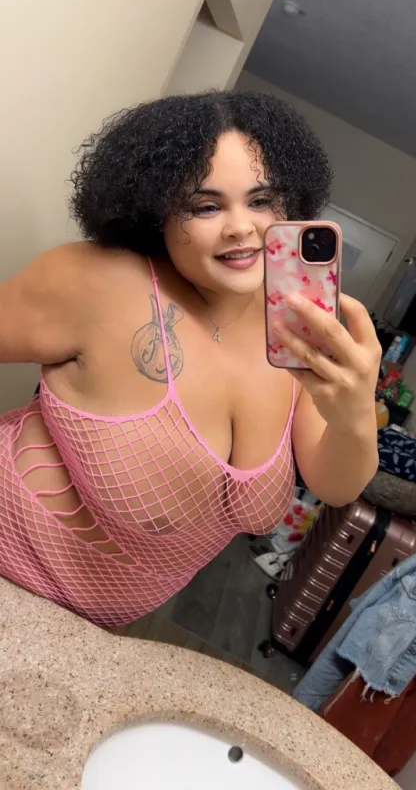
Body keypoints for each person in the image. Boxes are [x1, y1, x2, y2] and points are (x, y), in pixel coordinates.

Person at [0, 90, 381, 629]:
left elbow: (336, 486)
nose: (241, 227)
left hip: (86, 638)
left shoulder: (293, 330)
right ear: (156, 210)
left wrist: (355, 411)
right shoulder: (97, 282)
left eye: (261, 200)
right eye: (206, 206)